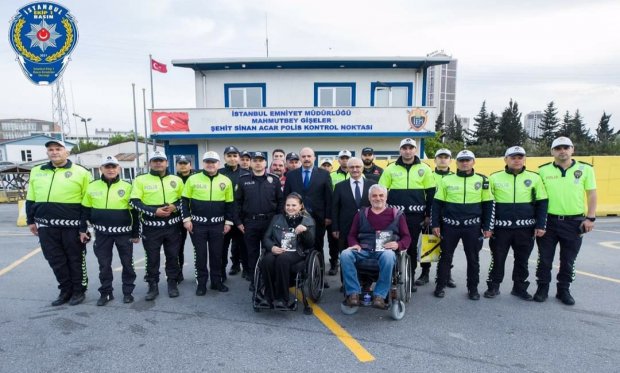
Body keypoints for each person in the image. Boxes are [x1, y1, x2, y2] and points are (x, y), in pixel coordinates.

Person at [26, 139, 92, 306]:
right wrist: (30, 220)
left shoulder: (81, 172)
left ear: (66, 152)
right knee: (55, 259)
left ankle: (78, 291)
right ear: (47, 153)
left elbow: (87, 202)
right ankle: (65, 290)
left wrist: (83, 227)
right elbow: (31, 197)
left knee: (75, 259)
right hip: (46, 226)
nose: (54, 152)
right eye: (51, 149)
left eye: (58, 149)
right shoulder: (36, 171)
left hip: (72, 226)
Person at [534, 137, 597, 305]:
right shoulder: (543, 171)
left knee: (568, 259)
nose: (562, 151)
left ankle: (564, 290)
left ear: (572, 149)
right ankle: (542, 288)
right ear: (552, 151)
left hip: (574, 222)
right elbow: (538, 198)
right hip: (549, 221)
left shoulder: (586, 169)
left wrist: (590, 217)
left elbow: (591, 194)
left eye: (566, 147)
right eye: (558, 148)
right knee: (544, 258)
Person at [484, 146, 548, 301]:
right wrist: (488, 227)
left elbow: (542, 202)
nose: (517, 160)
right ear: (506, 159)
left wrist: (541, 225)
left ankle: (519, 288)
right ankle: (493, 286)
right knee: (498, 258)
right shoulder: (494, 177)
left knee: (522, 260)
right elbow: (488, 204)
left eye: (520, 157)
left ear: (524, 159)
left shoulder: (535, 178)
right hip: (501, 229)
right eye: (513, 157)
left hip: (525, 229)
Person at [431, 150, 494, 300]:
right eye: (461, 160)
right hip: (449, 226)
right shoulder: (446, 180)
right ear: (456, 162)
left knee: (473, 259)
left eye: (468, 160)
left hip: (472, 227)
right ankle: (440, 286)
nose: (464, 163)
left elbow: (488, 205)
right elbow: (437, 204)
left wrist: (488, 226)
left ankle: (473, 289)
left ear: (473, 162)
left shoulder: (483, 180)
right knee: (445, 257)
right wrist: (435, 224)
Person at [340, 184, 412, 309]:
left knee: (389, 256)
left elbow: (407, 237)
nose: (377, 198)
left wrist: (398, 244)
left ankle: (380, 295)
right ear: (369, 198)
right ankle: (353, 293)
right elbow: (351, 235)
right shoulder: (361, 214)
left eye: (381, 195)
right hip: (364, 249)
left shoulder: (397, 215)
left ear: (386, 197)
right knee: (345, 254)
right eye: (374, 195)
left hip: (385, 251)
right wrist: (354, 244)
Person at [80, 155, 139, 305]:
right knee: (104, 265)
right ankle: (106, 293)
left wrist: (135, 233)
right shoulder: (92, 186)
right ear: (101, 169)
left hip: (123, 234)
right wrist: (82, 230)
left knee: (127, 264)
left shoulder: (128, 187)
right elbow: (85, 211)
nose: (111, 169)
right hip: (101, 234)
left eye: (113, 167)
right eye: (107, 167)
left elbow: (134, 213)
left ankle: (128, 292)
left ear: (119, 168)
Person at [379, 138, 435, 292]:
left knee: (410, 247)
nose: (408, 151)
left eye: (411, 148)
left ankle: (408, 277)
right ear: (400, 150)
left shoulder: (425, 168)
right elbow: (381, 191)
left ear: (415, 150)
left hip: (415, 216)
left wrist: (428, 215)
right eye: (404, 148)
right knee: (388, 245)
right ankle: (389, 277)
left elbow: (430, 194)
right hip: (393, 215)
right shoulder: (390, 168)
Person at [130, 151, 184, 300]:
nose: (158, 163)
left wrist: (175, 207)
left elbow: (184, 200)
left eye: (161, 160)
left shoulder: (176, 180)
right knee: (152, 258)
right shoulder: (140, 180)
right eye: (155, 161)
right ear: (150, 163)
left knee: (173, 256)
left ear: (167, 163)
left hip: (173, 227)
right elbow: (134, 202)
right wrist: (155, 211)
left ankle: (172, 283)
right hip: (151, 227)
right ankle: (152, 285)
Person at [182, 151, 234, 294]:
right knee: (201, 255)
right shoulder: (192, 179)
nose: (210, 164)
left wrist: (228, 222)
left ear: (218, 164)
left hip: (218, 225)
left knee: (217, 255)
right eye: (207, 162)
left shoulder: (226, 180)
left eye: (213, 162)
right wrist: (186, 220)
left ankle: (216, 282)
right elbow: (184, 201)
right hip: (198, 225)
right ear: (203, 163)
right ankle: (201, 284)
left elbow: (230, 204)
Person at [284, 147, 333, 288]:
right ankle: (298, 276)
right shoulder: (292, 175)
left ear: (314, 158)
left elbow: (329, 197)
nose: (306, 159)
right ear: (300, 158)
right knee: (296, 246)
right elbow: (286, 196)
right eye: (304, 156)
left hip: (318, 218)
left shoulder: (324, 174)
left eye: (309, 156)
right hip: (295, 217)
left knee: (317, 247)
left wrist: (328, 216)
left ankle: (319, 277)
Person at [235, 152, 284, 291]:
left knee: (270, 252)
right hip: (250, 222)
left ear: (265, 163)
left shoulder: (274, 180)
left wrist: (279, 221)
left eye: (261, 160)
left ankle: (269, 278)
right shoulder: (243, 180)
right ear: (251, 163)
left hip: (270, 222)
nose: (258, 163)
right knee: (252, 253)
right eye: (255, 160)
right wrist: (238, 222)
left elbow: (280, 201)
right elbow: (237, 203)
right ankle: (254, 279)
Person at [259, 193, 315, 309]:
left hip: (297, 251)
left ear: (301, 206)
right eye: (288, 205)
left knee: (282, 259)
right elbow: (266, 238)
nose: (290, 208)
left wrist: (305, 231)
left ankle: (282, 298)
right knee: (267, 260)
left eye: (294, 205)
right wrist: (272, 247)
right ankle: (268, 296)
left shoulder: (308, 220)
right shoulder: (277, 218)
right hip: (278, 249)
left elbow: (310, 244)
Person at [416, 148, 456, 288]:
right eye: (440, 157)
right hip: (431, 215)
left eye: (446, 157)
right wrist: (427, 214)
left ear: (450, 160)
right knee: (429, 245)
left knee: (448, 248)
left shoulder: (455, 177)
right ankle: (425, 273)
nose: (443, 159)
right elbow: (424, 196)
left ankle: (447, 275)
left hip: (449, 217)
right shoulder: (429, 175)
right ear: (435, 160)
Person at [332, 157, 376, 260]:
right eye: (352, 167)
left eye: (358, 167)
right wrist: (335, 227)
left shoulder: (372, 184)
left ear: (363, 167)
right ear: (347, 168)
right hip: (345, 228)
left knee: (366, 258)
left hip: (368, 228)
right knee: (346, 257)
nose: (355, 169)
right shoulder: (339, 186)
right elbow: (335, 208)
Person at [219, 146, 250, 279]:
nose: (232, 158)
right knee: (222, 248)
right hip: (223, 218)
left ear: (238, 157)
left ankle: (247, 270)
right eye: (229, 156)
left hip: (240, 218)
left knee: (244, 246)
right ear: (224, 157)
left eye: (234, 156)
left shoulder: (246, 173)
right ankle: (221, 273)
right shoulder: (218, 173)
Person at [327, 150, 351, 275]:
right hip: (335, 212)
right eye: (342, 158)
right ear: (338, 160)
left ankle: (346, 266)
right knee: (333, 242)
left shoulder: (358, 175)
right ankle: (334, 264)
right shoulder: (331, 175)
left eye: (347, 158)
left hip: (349, 214)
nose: (345, 160)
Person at [175, 155, 196, 283]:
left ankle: (199, 274)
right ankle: (178, 274)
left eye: (185, 163)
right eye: (180, 163)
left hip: (194, 218)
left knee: (197, 247)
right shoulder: (172, 179)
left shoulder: (196, 178)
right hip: (177, 219)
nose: (183, 165)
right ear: (176, 165)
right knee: (178, 248)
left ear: (190, 165)